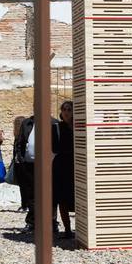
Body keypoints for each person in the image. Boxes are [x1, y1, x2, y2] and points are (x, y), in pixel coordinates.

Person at [14, 111, 59, 232]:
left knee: (50, 195)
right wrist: (21, 158)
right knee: (32, 195)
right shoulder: (27, 123)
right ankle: (32, 222)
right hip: (30, 165)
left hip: (49, 166)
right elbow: (20, 142)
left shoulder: (54, 123)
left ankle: (52, 222)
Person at [54, 100, 77, 240]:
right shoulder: (56, 127)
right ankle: (67, 229)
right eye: (65, 109)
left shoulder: (79, 127)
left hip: (77, 164)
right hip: (62, 165)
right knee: (62, 199)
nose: (67, 112)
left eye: (70, 109)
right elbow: (54, 147)